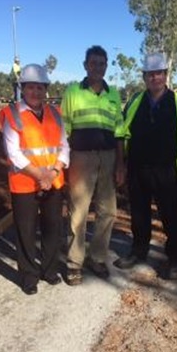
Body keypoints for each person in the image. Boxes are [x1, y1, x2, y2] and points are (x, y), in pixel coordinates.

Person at [113, 53, 177, 280]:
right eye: (150, 74)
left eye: (158, 73)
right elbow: (121, 132)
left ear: (165, 75)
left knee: (170, 214)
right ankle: (139, 251)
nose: (154, 78)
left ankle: (175, 258)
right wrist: (121, 164)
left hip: (166, 169)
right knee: (139, 214)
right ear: (144, 77)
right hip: (138, 168)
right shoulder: (134, 101)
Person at [0, 64, 70, 295]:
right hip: (25, 184)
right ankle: (29, 276)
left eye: (40, 88)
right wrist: (42, 175)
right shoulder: (12, 115)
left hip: (53, 181)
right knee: (26, 231)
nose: (35, 93)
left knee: (53, 227)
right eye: (31, 88)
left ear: (46, 90)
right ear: (23, 88)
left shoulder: (55, 114)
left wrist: (53, 173)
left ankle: (49, 270)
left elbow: (64, 146)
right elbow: (14, 154)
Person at [61, 46, 125, 286]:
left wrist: (120, 163)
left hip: (109, 157)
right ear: (85, 65)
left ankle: (97, 257)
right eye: (93, 63)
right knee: (78, 211)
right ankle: (74, 263)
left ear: (106, 66)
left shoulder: (114, 95)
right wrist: (64, 161)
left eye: (102, 63)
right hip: (81, 157)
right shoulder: (72, 92)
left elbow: (119, 131)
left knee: (108, 211)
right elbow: (63, 130)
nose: (98, 67)